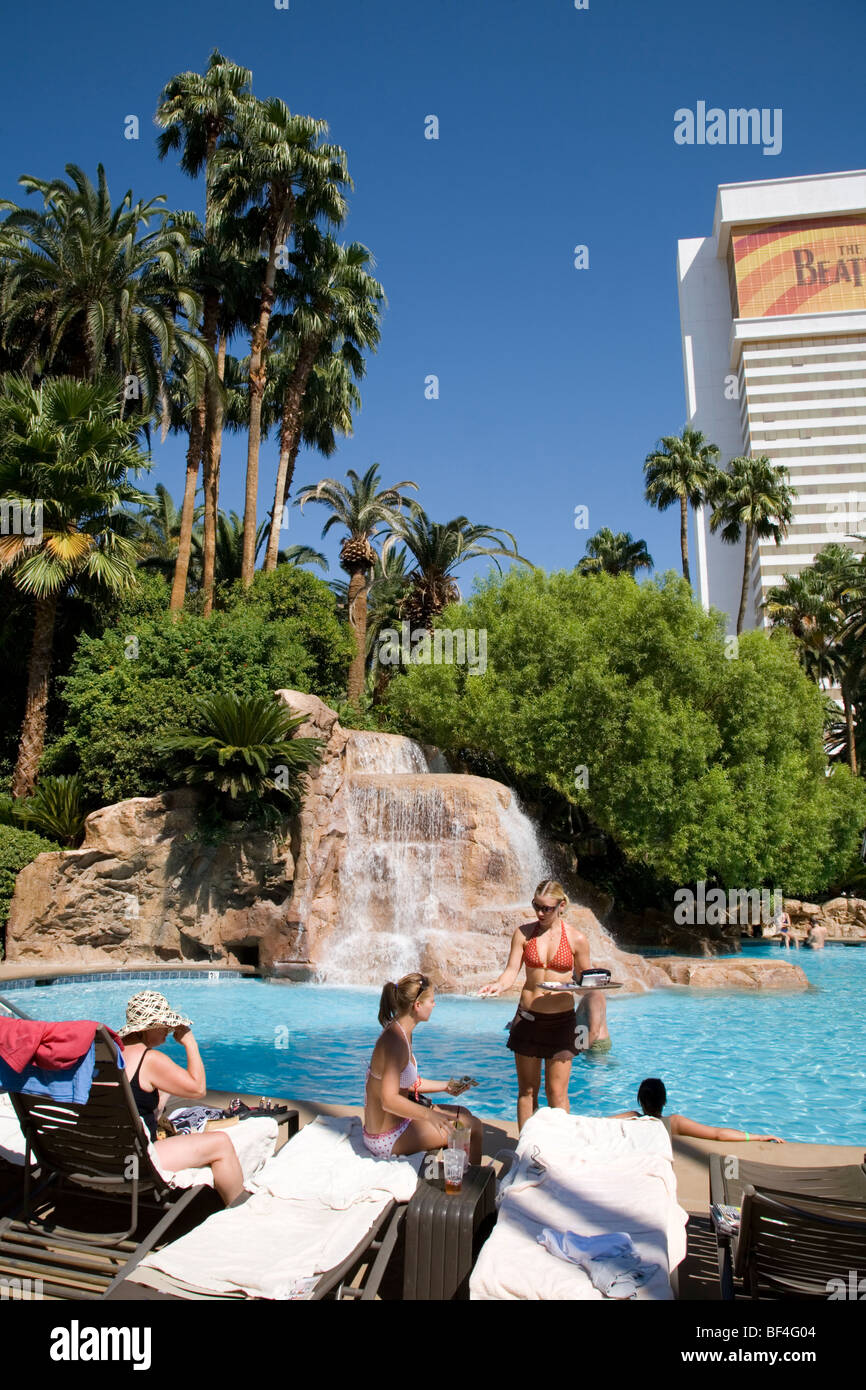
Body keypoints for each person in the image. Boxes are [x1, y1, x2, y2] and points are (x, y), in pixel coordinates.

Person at [479, 880, 590, 1130]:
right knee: (527, 1091)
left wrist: (583, 986)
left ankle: (560, 1150)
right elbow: (510, 972)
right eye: (536, 906)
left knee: (556, 1094)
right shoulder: (523, 934)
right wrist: (498, 985)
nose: (540, 913)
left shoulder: (577, 939)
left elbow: (584, 981)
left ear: (561, 906)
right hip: (528, 1018)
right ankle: (526, 1150)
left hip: (561, 1022)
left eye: (546, 908)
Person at [119, 990, 245, 1205]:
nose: (169, 1030)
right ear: (148, 1027)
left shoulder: (106, 1053)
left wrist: (160, 1097)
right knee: (221, 1143)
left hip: (101, 1154)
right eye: (165, 1025)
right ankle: (238, 1212)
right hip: (134, 1161)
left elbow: (132, 1105)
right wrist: (190, 1044)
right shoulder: (149, 1060)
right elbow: (198, 1089)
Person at [363, 973, 483, 1164]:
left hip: (399, 1123)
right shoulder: (395, 1042)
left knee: (464, 1114)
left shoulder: (402, 1032)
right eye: (432, 1001)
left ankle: (459, 1173)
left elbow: (407, 1082)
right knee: (473, 1127)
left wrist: (446, 1086)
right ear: (417, 1005)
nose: (434, 1005)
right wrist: (429, 1114)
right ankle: (471, 1185)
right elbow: (388, 1099)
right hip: (386, 1138)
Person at [614, 1077, 784, 1142]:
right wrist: (758, 1137)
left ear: (640, 1101)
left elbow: (596, 1123)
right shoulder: (674, 1123)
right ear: (664, 1100)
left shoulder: (632, 1118)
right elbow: (719, 1134)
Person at [576, 988, 611, 1054]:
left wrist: (580, 1051)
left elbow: (594, 1032)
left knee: (596, 1063)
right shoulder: (590, 995)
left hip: (594, 1045)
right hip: (592, 1044)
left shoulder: (593, 998)